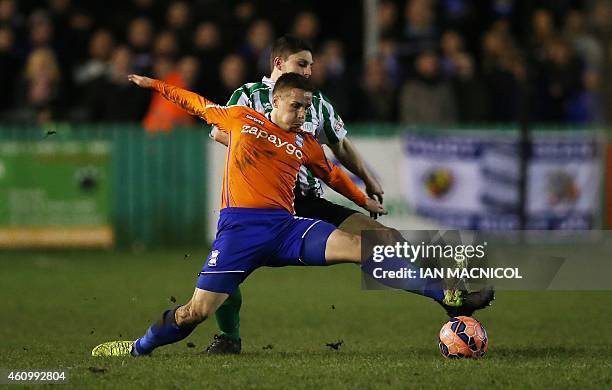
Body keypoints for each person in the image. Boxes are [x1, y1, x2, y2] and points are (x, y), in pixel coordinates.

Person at [91, 73, 494, 357]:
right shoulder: (242, 120)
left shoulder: (304, 144)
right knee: (195, 313)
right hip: (238, 234)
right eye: (295, 105)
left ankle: (448, 295)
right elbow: (196, 104)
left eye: (305, 107)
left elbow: (334, 175)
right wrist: (155, 86)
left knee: (365, 248)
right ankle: (138, 347)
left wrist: (364, 200)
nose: (302, 113)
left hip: (286, 230)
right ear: (276, 102)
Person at [207, 35, 402, 354]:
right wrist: (272, 153)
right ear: (278, 65)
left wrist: (367, 179)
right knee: (224, 281)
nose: (309, 71)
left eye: (311, 65)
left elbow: (340, 145)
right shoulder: (247, 96)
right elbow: (218, 131)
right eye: (302, 64)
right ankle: (228, 338)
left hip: (306, 200)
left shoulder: (317, 102)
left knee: (384, 238)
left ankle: (450, 297)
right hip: (259, 204)